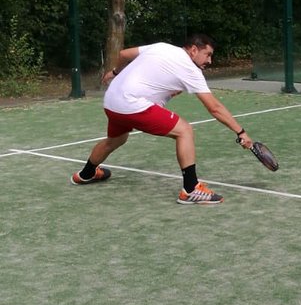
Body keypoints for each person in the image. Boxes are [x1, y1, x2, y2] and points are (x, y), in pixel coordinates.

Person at [70, 34, 254, 203]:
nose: (210, 61)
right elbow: (214, 108)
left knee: (116, 139)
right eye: (207, 55)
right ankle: (191, 189)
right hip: (130, 103)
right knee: (184, 130)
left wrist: (116, 72)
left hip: (111, 101)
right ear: (194, 50)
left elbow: (124, 54)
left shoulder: (161, 47)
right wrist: (241, 131)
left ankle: (86, 173)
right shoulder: (190, 69)